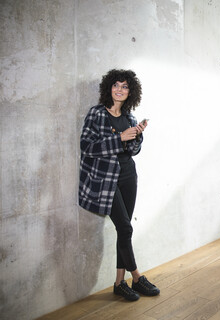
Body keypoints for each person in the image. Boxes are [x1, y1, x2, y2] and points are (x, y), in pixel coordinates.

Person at [78, 69, 159, 301]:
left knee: (123, 230)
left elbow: (133, 151)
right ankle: (137, 277)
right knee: (125, 229)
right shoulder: (96, 114)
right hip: (105, 179)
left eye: (125, 86)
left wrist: (137, 136)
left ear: (130, 92)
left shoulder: (131, 117)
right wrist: (118, 138)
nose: (120, 90)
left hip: (128, 176)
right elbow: (87, 147)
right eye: (116, 85)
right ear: (109, 88)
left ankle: (118, 284)